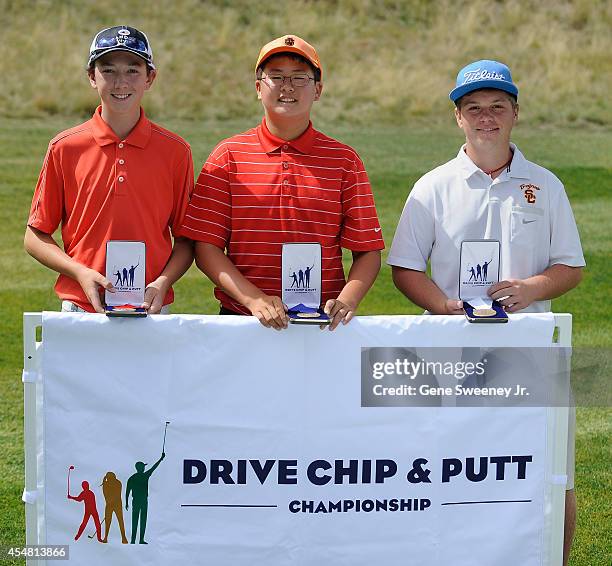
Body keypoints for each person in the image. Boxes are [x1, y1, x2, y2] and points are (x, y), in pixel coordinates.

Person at [387, 60, 584, 565]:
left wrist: (533, 286)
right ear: (459, 118)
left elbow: (571, 266)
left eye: (497, 107)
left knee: (550, 474)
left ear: (515, 113)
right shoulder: (432, 186)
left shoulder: (546, 185)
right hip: (451, 350)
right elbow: (406, 268)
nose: (486, 118)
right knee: (445, 470)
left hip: (531, 347)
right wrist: (443, 305)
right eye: (474, 108)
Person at [177, 35, 384, 330]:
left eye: (300, 77)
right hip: (245, 321)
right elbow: (206, 247)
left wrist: (347, 299)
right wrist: (254, 300)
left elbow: (367, 249)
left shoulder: (344, 161)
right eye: (276, 76)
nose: (287, 86)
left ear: (318, 90)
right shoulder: (228, 156)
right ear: (259, 88)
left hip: (323, 323)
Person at [24, 25, 194, 314]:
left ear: (150, 78)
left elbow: (187, 238)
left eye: (132, 70)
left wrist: (162, 283)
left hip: (150, 307)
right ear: (92, 76)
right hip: (81, 305)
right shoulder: (65, 147)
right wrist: (79, 272)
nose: (120, 83)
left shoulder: (176, 151)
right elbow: (35, 236)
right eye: (108, 70)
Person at [125, 453, 165, 544]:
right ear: (141, 468)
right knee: (143, 520)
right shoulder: (145, 476)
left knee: (134, 520)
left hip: (135, 501)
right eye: (143, 466)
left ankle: (133, 540)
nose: (144, 468)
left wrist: (126, 502)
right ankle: (140, 539)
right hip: (143, 501)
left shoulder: (131, 478)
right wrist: (161, 459)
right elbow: (154, 468)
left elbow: (127, 492)